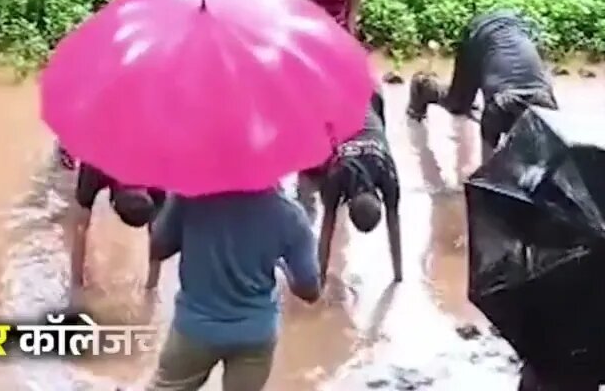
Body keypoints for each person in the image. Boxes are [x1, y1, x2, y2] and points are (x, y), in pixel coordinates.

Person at [147, 189, 321, 390]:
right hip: (255, 332)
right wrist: (283, 267)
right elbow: (310, 290)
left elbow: (158, 249)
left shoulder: (190, 197)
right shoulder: (290, 214)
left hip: (195, 329)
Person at [408, 9, 558, 162]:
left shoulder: (549, 113)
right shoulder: (496, 112)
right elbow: (484, 173)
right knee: (458, 104)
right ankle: (422, 87)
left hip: (517, 27)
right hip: (479, 36)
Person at [297, 91, 402, 283]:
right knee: (310, 167)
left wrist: (320, 276)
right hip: (340, 105)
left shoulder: (385, 170)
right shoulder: (343, 174)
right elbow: (393, 222)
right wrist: (399, 275)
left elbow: (327, 226)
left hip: (366, 99)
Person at [67, 151, 166, 289]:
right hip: (105, 152)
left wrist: (151, 288)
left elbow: (158, 235)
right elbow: (80, 225)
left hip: (147, 156)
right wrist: (76, 285)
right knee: (81, 217)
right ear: (112, 203)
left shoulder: (159, 176)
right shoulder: (96, 165)